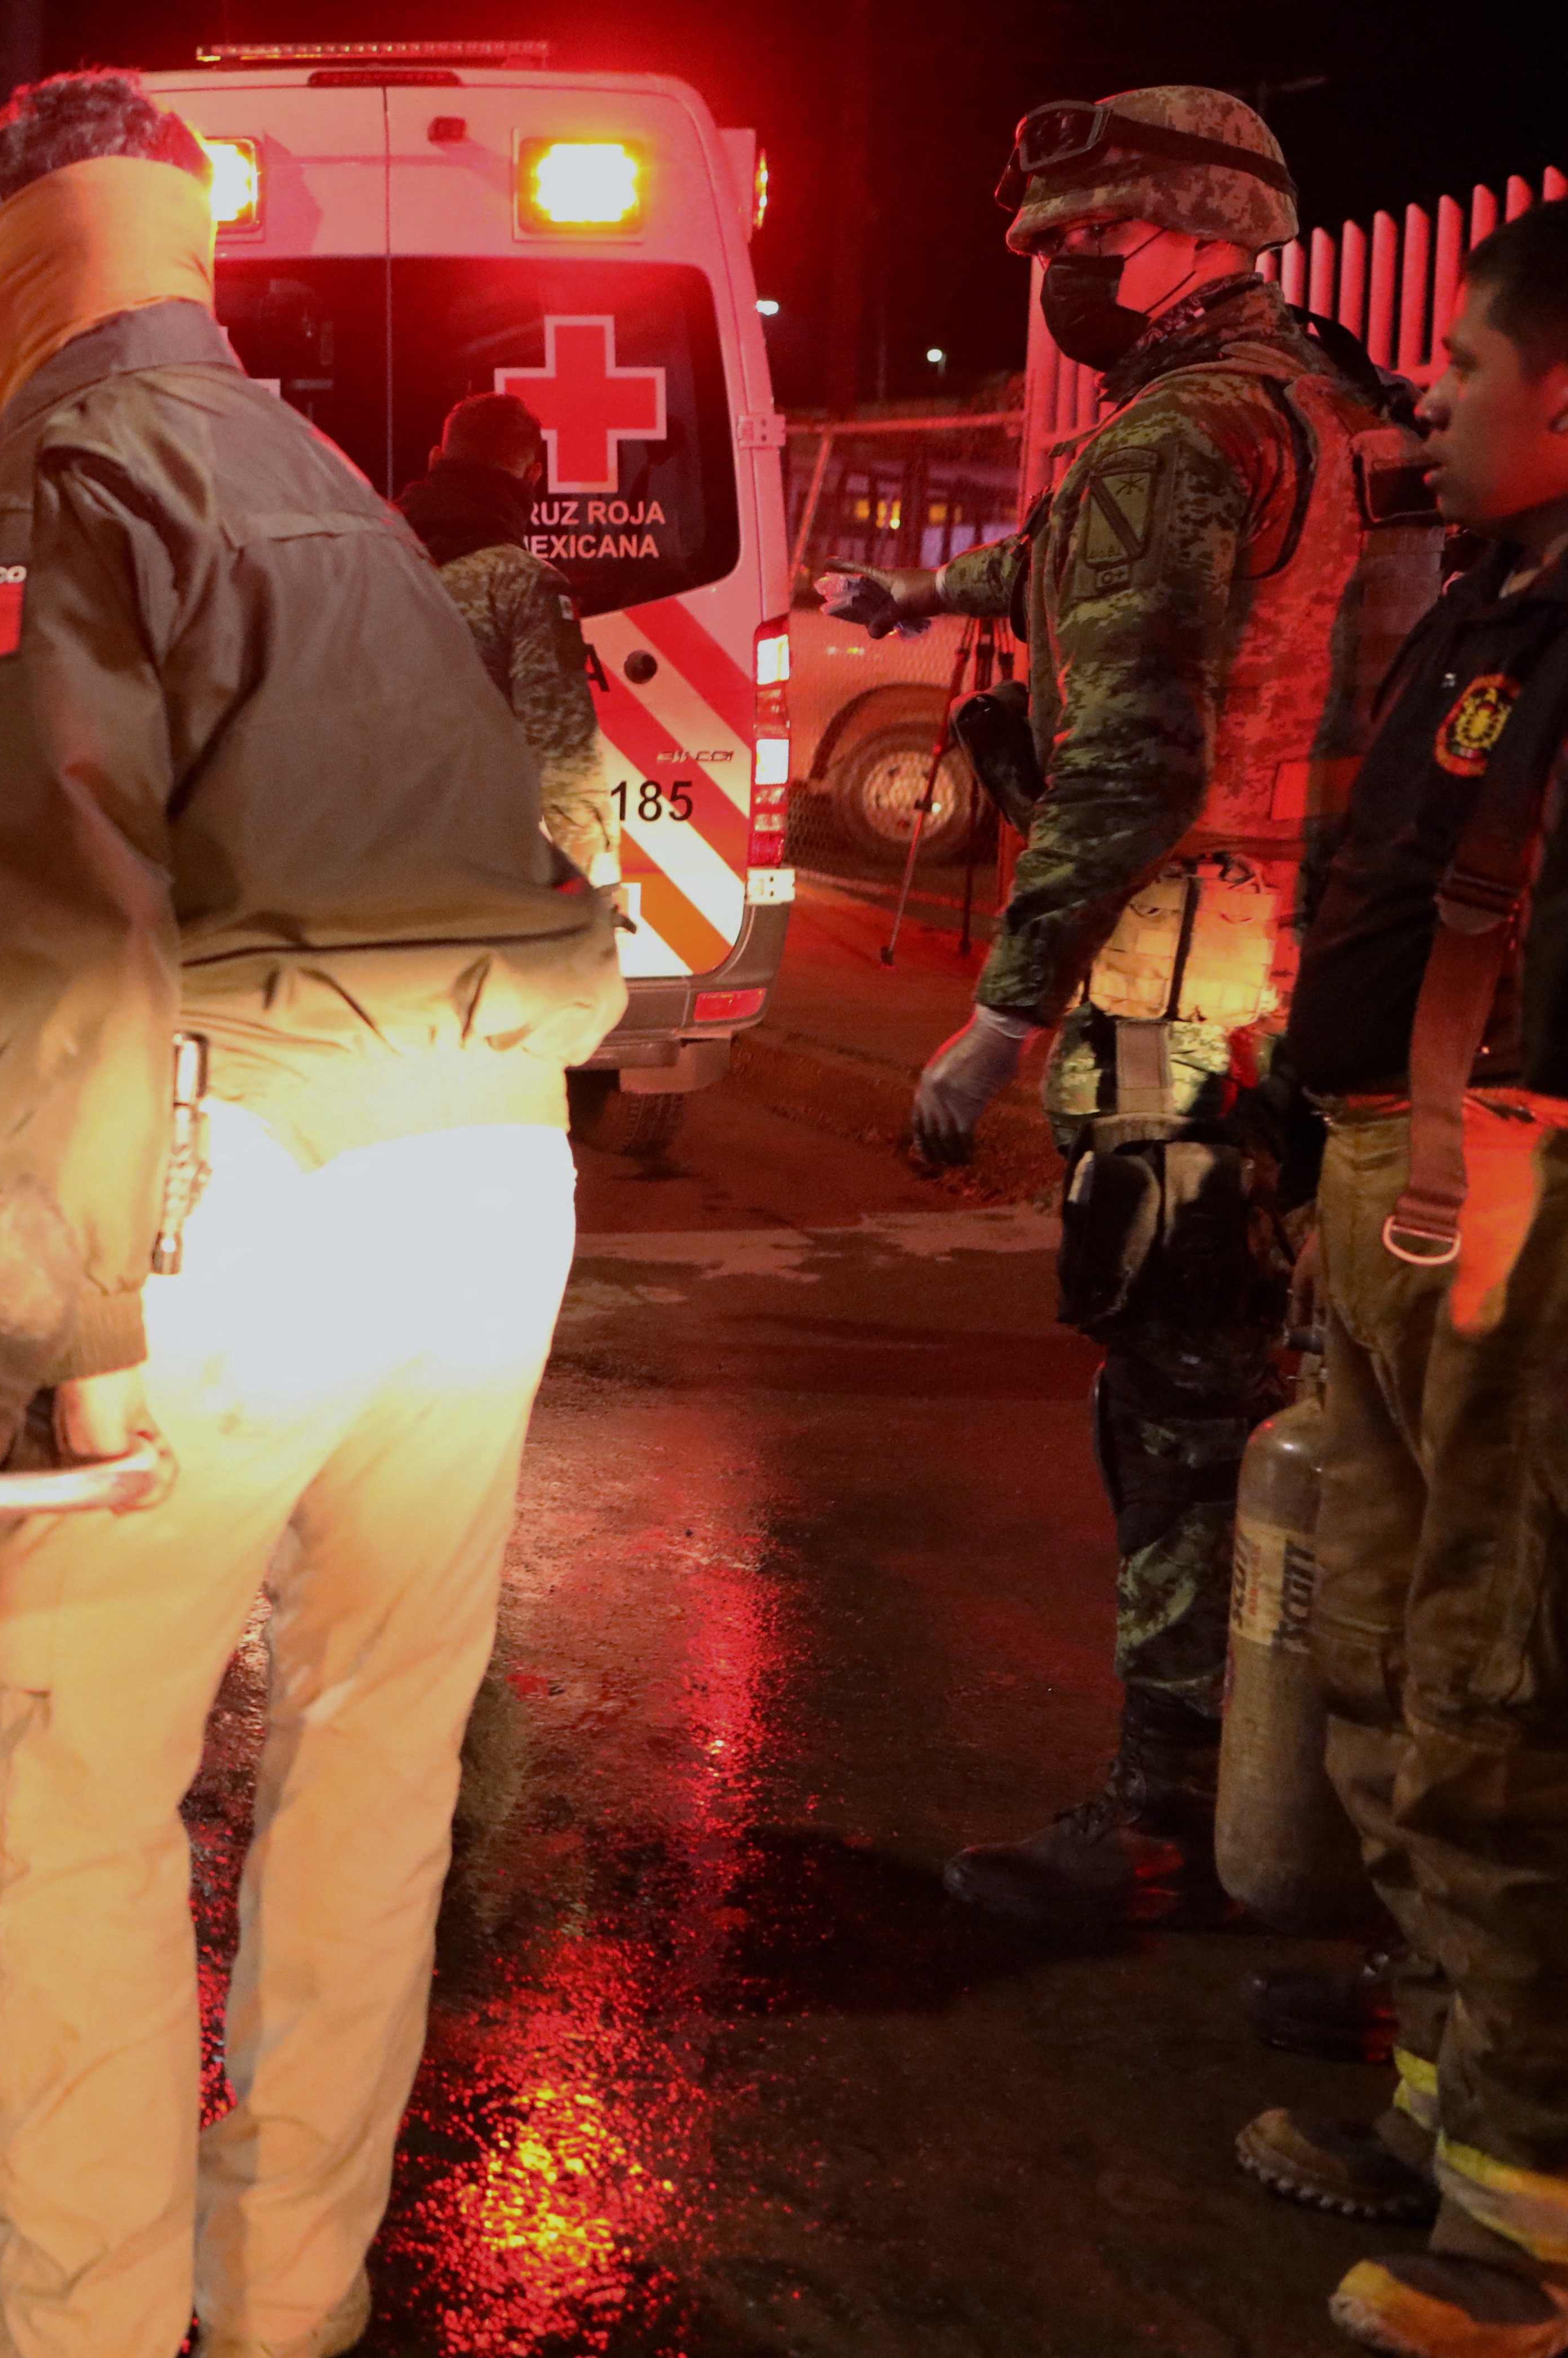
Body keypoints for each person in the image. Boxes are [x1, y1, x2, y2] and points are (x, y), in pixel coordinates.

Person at [0, 71, 623, 2358]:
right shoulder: (335, 486)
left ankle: (75, 2328)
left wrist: (42, 1303)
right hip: (493, 1171)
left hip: (240, 1189)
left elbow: (56, 934)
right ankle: (282, 2286)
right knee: (375, 1750)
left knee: (80, 1774)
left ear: (0, 246)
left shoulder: (49, 486)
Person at [824, 87, 1436, 1935]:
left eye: (1071, 246)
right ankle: (1311, 1800)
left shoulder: (1178, 436)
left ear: (1172, 230)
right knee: (1308, 1391)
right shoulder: (1325, 408)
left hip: (1180, 978)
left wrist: (998, 1018)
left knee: (1171, 1396)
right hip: (1326, 969)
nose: (1046, 277)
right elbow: (1083, 577)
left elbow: (1140, 746)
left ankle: (1164, 1813)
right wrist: (905, 586)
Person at [1227, 201, 1568, 2358]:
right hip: (1387, 1188)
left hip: (1514, 1205)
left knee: (1494, 1695)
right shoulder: (1492, 604)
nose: (1426, 392)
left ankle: (1524, 2234)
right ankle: (1441, 2117)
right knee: (1371, 1663)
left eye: (1459, 360)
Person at [396, 390, 621, 876]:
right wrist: (597, 883)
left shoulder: (363, 556)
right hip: (471, 869)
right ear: (533, 476)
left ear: (437, 460)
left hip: (353, 862)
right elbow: (563, 750)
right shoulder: (527, 585)